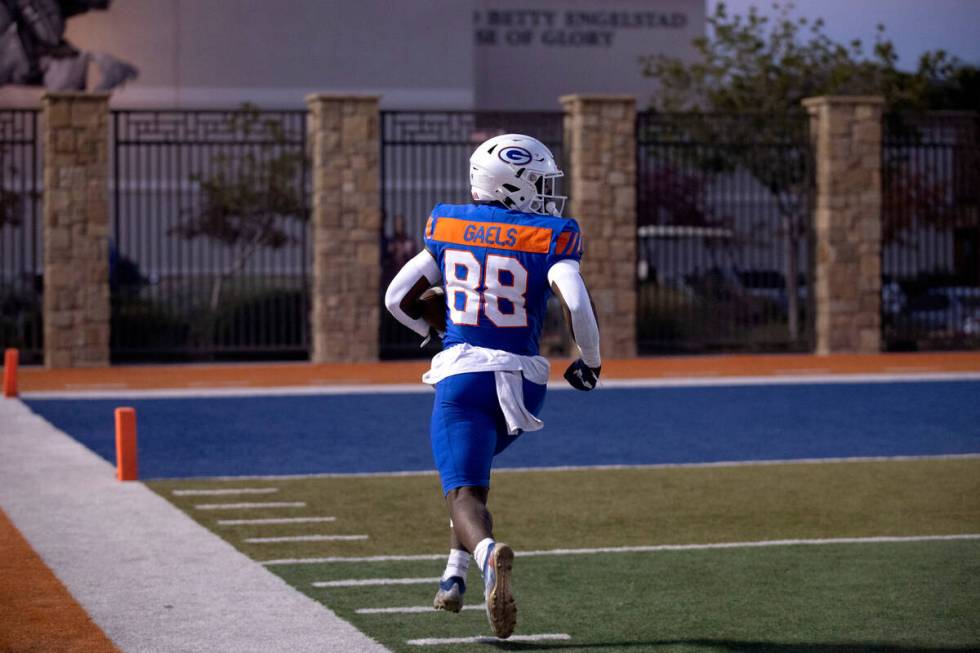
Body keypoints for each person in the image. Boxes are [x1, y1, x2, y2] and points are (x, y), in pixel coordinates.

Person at [384, 133, 601, 639]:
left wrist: (432, 334)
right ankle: (453, 577)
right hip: (525, 387)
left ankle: (485, 558)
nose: (548, 193)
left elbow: (397, 298)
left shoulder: (450, 225)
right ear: (513, 185)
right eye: (540, 182)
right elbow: (578, 304)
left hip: (464, 377)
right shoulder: (550, 235)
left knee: (460, 492)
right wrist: (590, 362)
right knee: (473, 480)